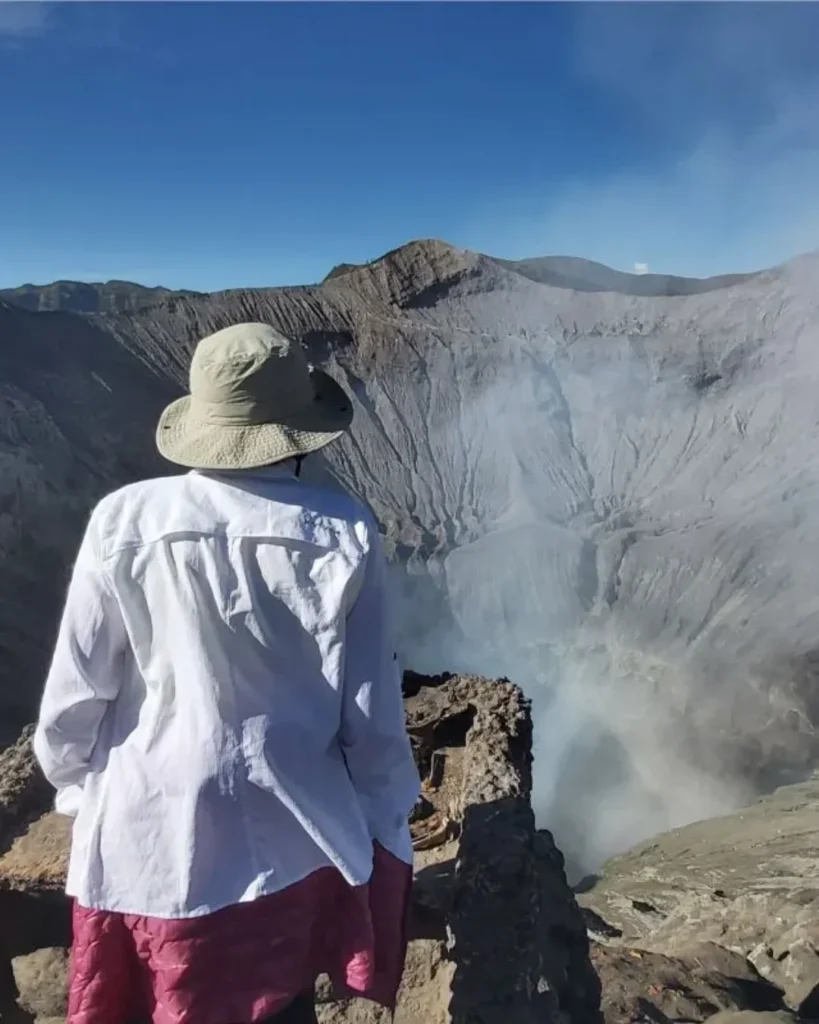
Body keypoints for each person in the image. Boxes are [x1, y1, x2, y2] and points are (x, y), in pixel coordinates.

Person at [33, 322, 421, 1024]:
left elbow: (77, 689)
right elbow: (368, 714)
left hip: (150, 828)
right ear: (298, 436)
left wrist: (74, 785)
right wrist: (387, 817)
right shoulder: (343, 529)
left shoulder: (122, 518)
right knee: (277, 1005)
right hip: (294, 826)